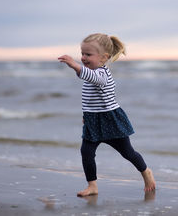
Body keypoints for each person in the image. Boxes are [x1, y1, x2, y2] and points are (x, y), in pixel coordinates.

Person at [58, 33, 156, 197]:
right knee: (86, 152)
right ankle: (92, 186)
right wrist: (87, 115)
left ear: (104, 57)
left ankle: (146, 172)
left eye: (88, 54)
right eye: (82, 54)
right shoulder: (90, 73)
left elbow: (94, 78)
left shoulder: (103, 74)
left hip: (110, 120)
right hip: (93, 121)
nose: (83, 57)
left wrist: (76, 66)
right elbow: (90, 98)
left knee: (128, 153)